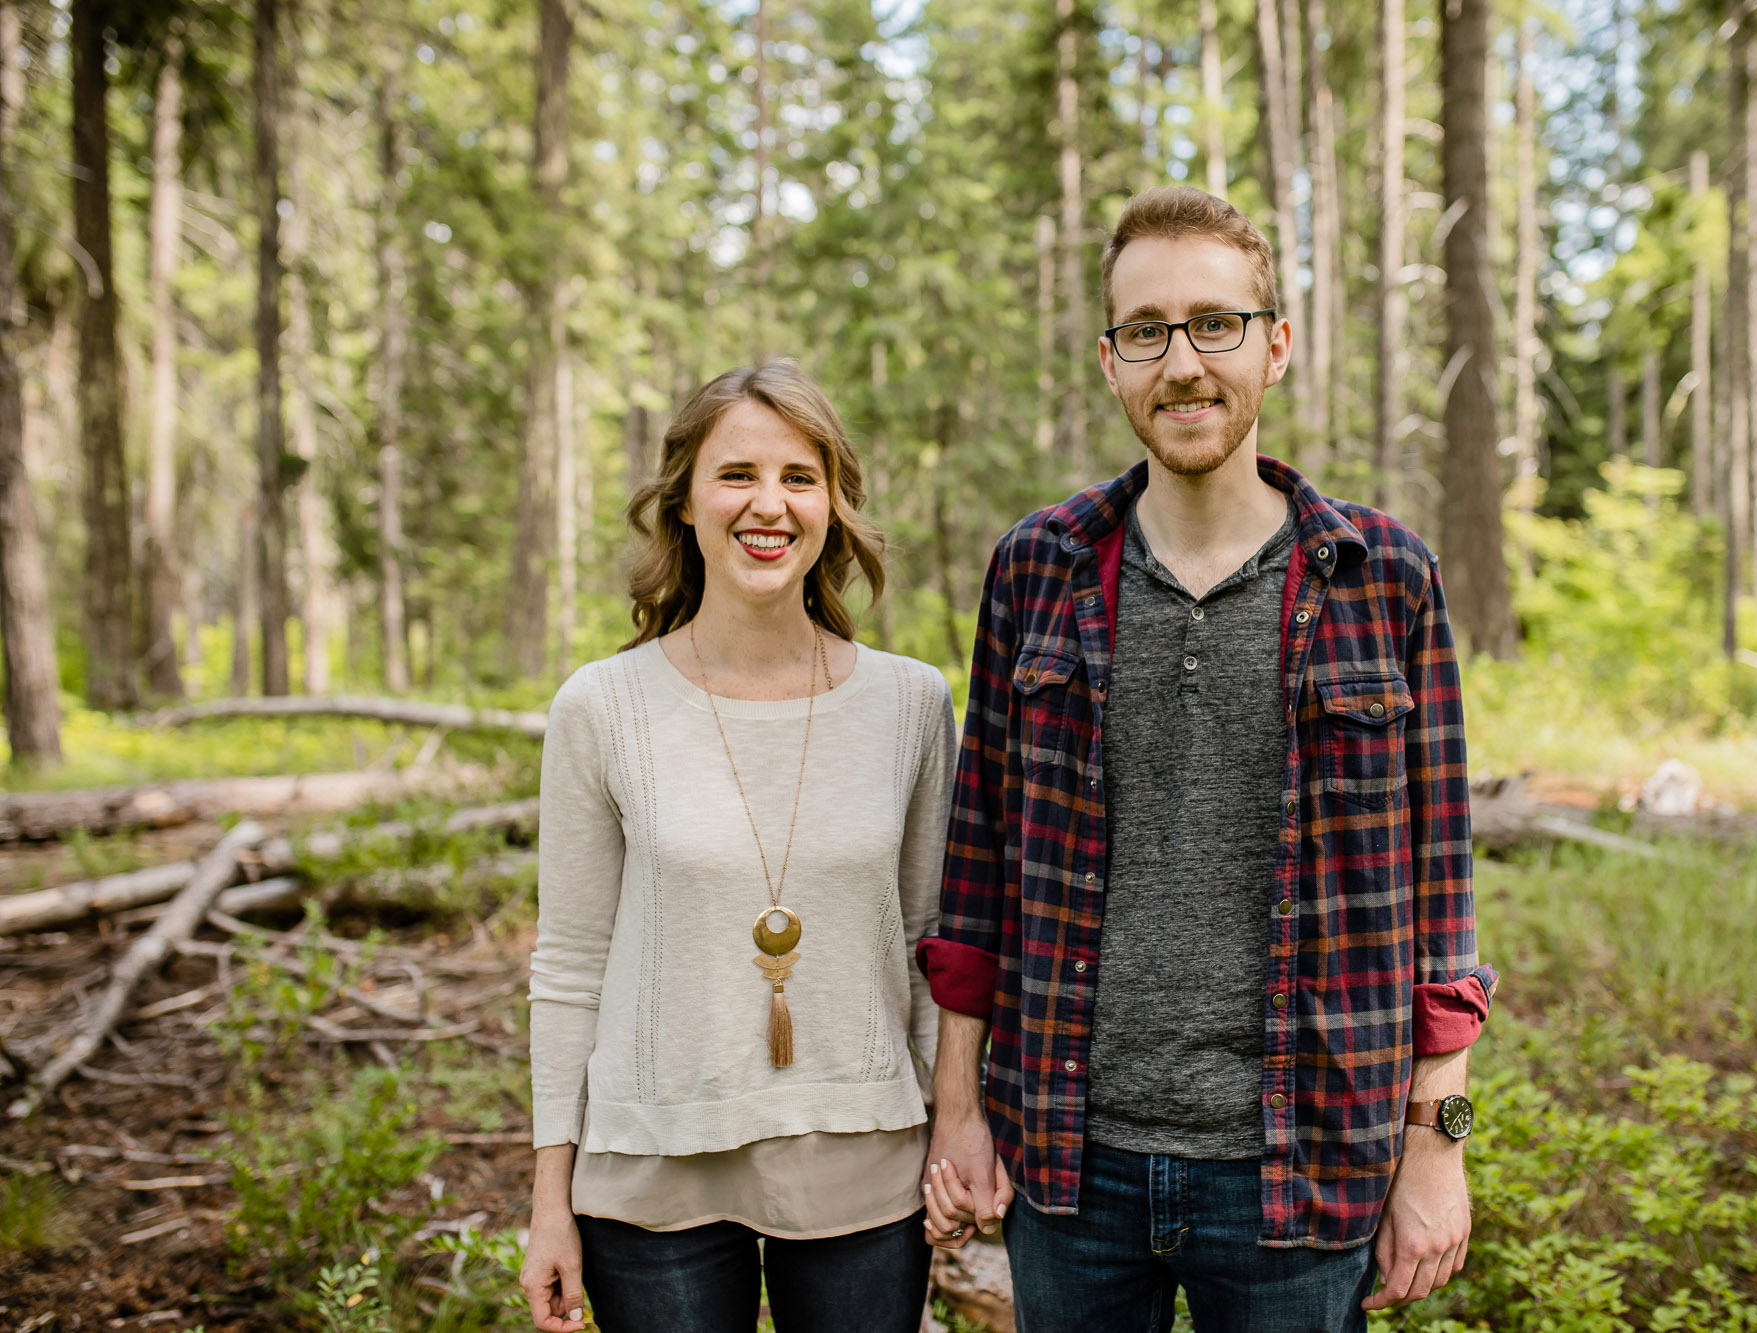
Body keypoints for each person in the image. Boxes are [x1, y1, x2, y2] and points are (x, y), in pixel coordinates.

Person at [915, 187, 1499, 1332]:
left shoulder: (1383, 574)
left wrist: (1437, 1150)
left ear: (1274, 345)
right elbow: (975, 871)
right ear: (1109, 359)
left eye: (1214, 323)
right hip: (1069, 1157)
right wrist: (956, 1109)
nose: (1182, 362)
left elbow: (1443, 895)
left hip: (1302, 1162)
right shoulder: (1037, 565)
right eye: (1147, 330)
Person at [519, 361, 956, 1333]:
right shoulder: (604, 705)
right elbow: (569, 965)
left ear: (833, 505)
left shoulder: (910, 704)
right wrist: (551, 1200)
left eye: (800, 477)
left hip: (864, 1166)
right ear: (682, 502)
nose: (769, 506)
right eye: (736, 475)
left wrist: (951, 1133)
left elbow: (932, 946)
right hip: (652, 1168)